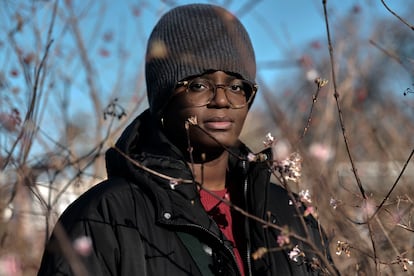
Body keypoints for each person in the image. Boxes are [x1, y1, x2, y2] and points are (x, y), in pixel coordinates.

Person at [38, 3, 337, 276]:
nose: (221, 99)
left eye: (236, 85)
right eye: (198, 84)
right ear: (163, 98)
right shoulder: (106, 216)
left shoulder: (290, 213)